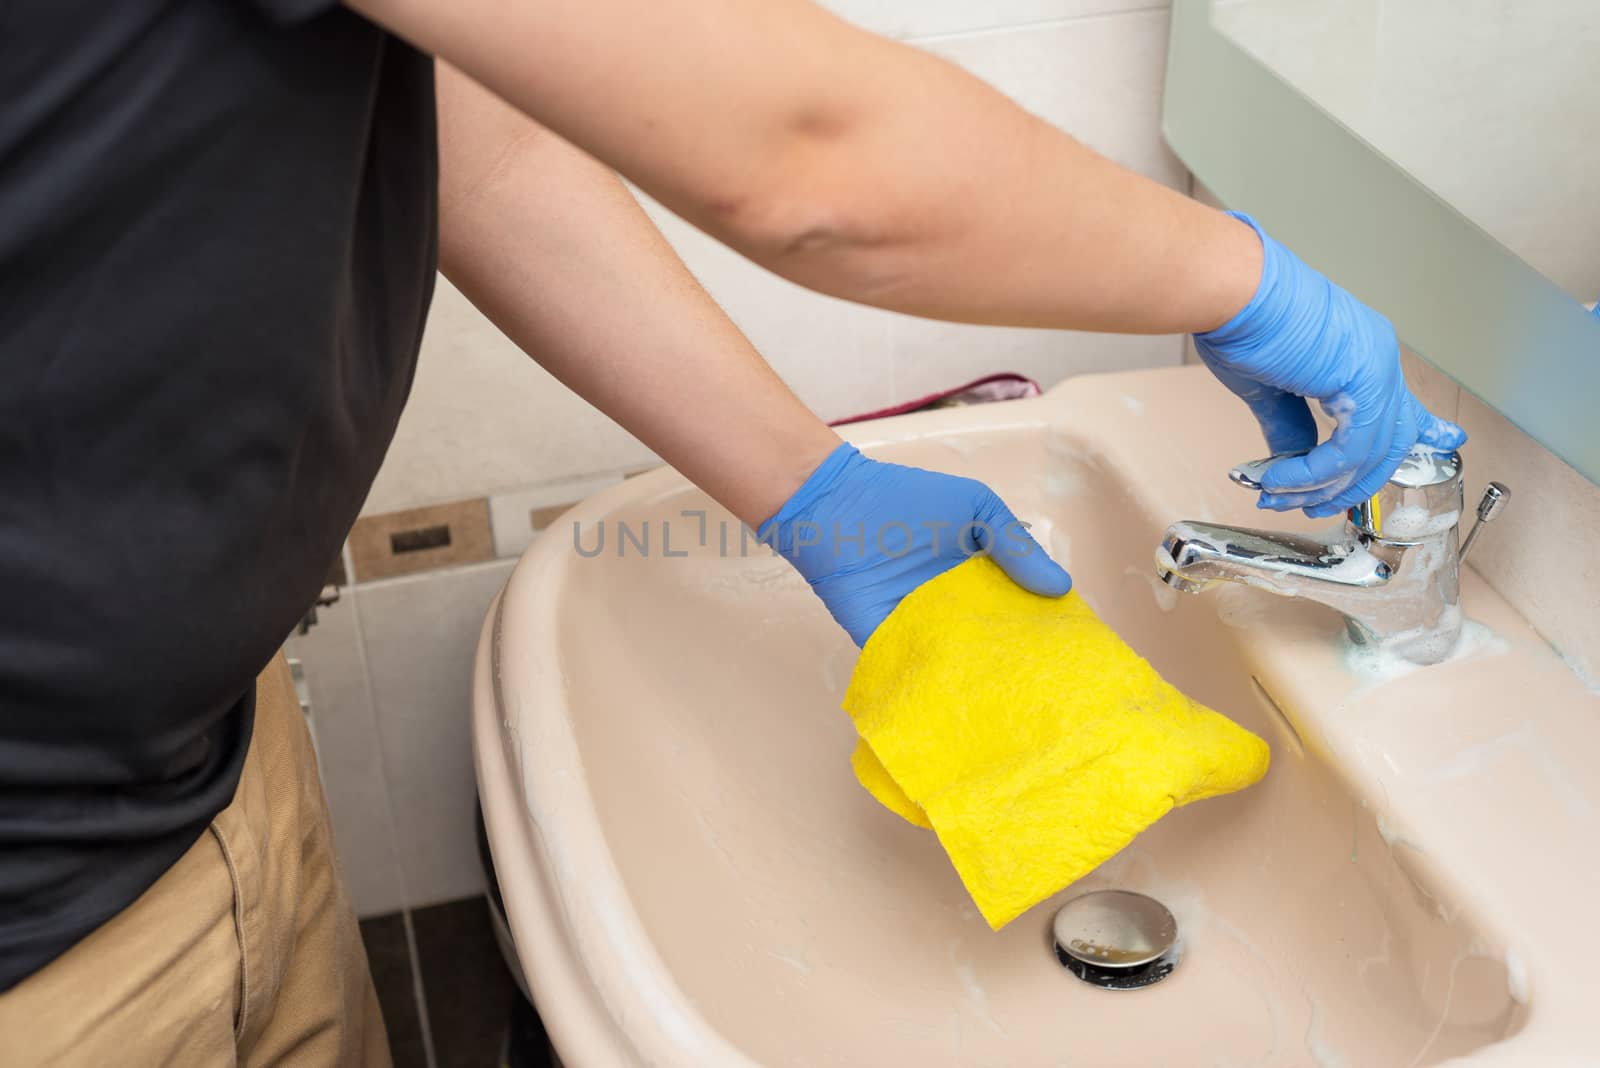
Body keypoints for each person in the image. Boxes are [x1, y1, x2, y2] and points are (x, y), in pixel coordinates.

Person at [0, 0, 1465, 1063]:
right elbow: (812, 156)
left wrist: (805, 487)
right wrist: (1244, 283)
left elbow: (468, 131)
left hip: (201, 773)